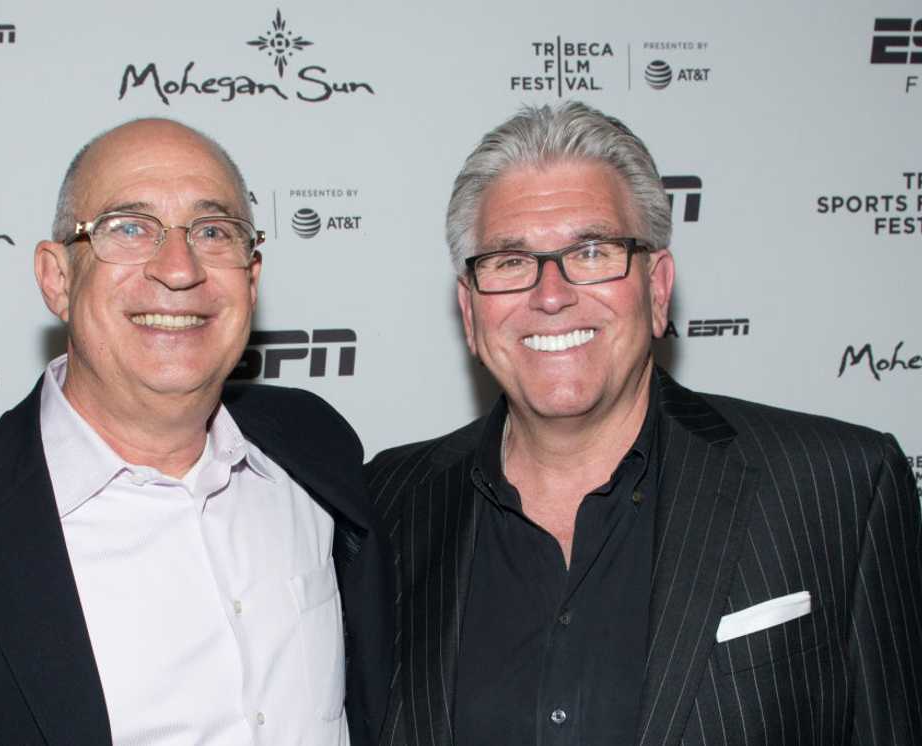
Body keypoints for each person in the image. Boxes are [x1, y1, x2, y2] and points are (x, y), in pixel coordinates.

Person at [0, 118, 392, 746]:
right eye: (129, 228)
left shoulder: (313, 446)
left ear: (251, 278)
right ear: (57, 278)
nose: (178, 267)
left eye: (214, 231)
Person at [366, 101, 922, 746]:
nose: (551, 295)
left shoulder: (838, 489)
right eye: (510, 261)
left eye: (594, 251)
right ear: (469, 310)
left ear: (657, 289)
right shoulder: (383, 505)